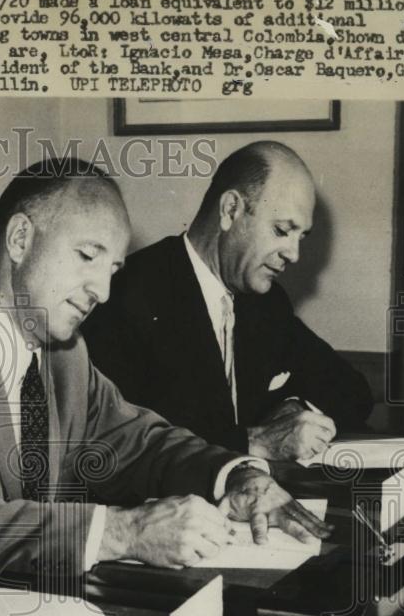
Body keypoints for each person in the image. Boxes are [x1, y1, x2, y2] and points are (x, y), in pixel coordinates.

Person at [0, 158, 331, 588]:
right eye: (88, 257)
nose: (103, 292)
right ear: (21, 238)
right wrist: (118, 531)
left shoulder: (64, 353)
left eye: (112, 270)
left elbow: (139, 441)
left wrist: (236, 474)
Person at [83, 141, 373, 461]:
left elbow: (352, 389)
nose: (294, 254)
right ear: (230, 210)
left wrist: (293, 407)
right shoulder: (125, 296)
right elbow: (119, 443)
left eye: (300, 237)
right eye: (281, 230)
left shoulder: (267, 302)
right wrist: (254, 441)